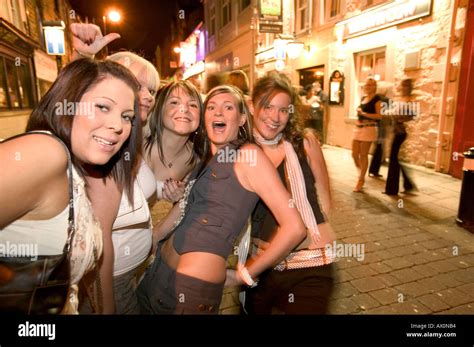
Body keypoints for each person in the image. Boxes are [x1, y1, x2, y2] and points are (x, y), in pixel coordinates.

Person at [136, 85, 306, 314]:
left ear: (242, 118)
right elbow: (186, 207)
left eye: (228, 108)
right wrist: (155, 237)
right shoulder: (204, 159)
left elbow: (295, 227)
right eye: (212, 107)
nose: (218, 113)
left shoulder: (249, 155)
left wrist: (244, 274)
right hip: (158, 274)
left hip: (193, 287)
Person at [0, 58, 141, 314]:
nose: (118, 126)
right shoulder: (46, 152)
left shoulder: (74, 168)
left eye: (127, 117)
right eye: (102, 107)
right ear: (66, 103)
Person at [70, 23, 160, 313]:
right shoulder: (101, 145)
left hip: (130, 273)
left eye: (152, 90)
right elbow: (100, 246)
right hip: (108, 281)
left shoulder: (129, 138)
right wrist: (81, 60)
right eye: (138, 85)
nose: (146, 95)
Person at [244, 74, 336, 314]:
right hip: (261, 267)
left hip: (310, 267)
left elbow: (325, 200)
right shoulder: (242, 152)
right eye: (267, 106)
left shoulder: (304, 142)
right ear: (252, 106)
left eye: (283, 110)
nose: (275, 117)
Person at [144, 80, 205, 206]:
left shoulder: (196, 159)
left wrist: (181, 198)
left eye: (193, 105)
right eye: (174, 102)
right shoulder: (138, 146)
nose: (184, 109)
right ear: (159, 110)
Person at [384, 78, 416, 195]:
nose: (403, 88)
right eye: (402, 85)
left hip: (400, 133)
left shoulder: (409, 101)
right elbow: (391, 113)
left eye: (405, 86)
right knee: (396, 159)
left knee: (393, 159)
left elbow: (412, 116)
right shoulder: (401, 100)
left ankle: (392, 190)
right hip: (397, 132)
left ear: (409, 88)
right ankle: (408, 184)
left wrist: (398, 118)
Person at [351, 78, 383, 192]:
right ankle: (362, 172)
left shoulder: (377, 99)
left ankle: (361, 180)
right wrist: (359, 111)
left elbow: (380, 116)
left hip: (369, 128)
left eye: (370, 85)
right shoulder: (363, 98)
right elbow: (361, 112)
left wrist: (364, 113)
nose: (367, 87)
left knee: (363, 155)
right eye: (366, 85)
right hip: (358, 128)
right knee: (354, 154)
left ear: (375, 86)